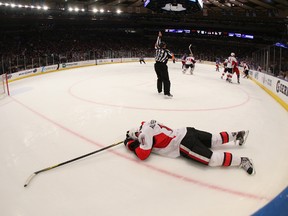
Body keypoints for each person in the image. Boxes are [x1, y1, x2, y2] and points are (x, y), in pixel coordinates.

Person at [124, 120, 255, 175]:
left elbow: (143, 154)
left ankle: (242, 160)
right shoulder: (148, 123)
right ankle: (238, 135)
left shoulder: (144, 133)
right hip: (187, 131)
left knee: (212, 159)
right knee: (214, 139)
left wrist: (130, 144)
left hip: (183, 143)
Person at [154, 31, 173, 98]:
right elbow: (172, 57)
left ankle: (159, 90)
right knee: (166, 79)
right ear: (164, 46)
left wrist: (159, 37)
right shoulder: (166, 51)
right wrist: (172, 57)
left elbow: (157, 43)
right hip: (162, 65)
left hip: (156, 65)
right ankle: (167, 93)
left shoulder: (157, 49)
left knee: (159, 78)